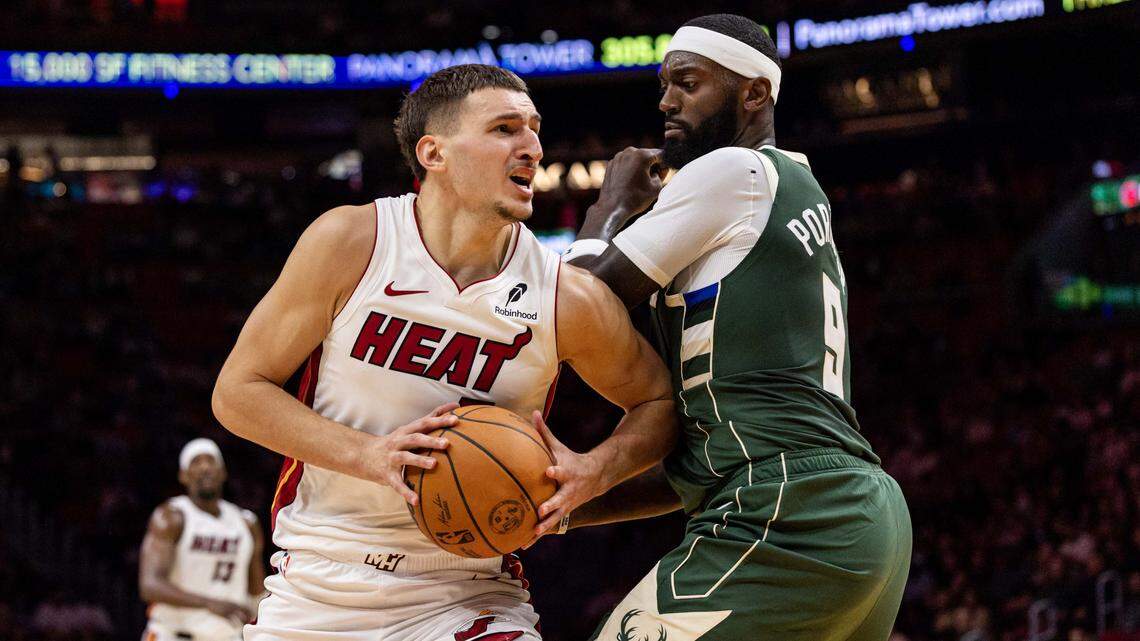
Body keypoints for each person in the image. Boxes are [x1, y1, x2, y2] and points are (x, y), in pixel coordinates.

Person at [211, 64, 677, 641]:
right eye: (504, 129)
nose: (531, 146)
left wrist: (595, 471)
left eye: (533, 128)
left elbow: (659, 400)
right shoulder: (352, 242)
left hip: (468, 590)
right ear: (434, 153)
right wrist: (370, 455)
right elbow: (238, 392)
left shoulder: (567, 297)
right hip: (320, 579)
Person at [559, 14, 913, 641]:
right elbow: (690, 470)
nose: (666, 100)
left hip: (786, 511)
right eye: (665, 84)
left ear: (755, 93)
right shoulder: (790, 187)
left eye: (688, 84)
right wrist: (558, 509)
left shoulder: (735, 172)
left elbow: (578, 304)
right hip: (848, 511)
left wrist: (607, 205)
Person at [139, 438, 265, 641]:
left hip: (228, 635)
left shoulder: (246, 523)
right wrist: (210, 603)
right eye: (196, 462)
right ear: (183, 475)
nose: (205, 467)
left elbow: (256, 591)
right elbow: (150, 585)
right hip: (174, 635)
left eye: (211, 461)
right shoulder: (171, 517)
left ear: (223, 473)